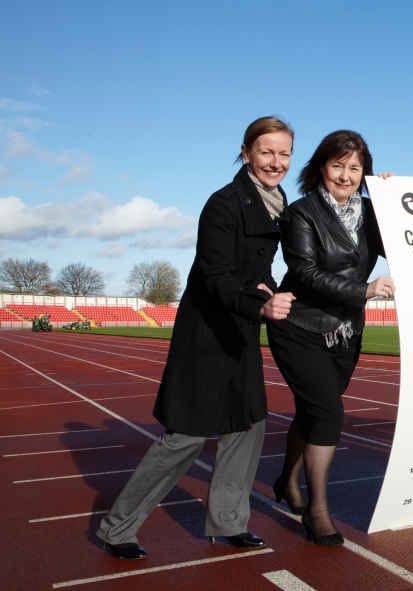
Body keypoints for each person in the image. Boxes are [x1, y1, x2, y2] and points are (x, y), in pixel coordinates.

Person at [97, 117, 297, 558]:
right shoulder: (223, 204)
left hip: (240, 331)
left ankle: (228, 523)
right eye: (266, 152)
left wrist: (378, 192)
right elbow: (214, 277)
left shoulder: (280, 202)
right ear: (246, 152)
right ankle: (118, 528)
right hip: (208, 331)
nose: (275, 162)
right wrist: (258, 303)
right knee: (186, 435)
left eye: (284, 153)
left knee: (248, 425)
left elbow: (266, 258)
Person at [268, 130, 394, 546]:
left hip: (345, 333)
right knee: (327, 413)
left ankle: (287, 480)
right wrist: (366, 290)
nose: (345, 175)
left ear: (365, 173)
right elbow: (304, 273)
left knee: (312, 412)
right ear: (322, 166)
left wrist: (398, 201)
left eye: (354, 168)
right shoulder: (301, 212)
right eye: (337, 165)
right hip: (300, 326)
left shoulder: (375, 215)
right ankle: (318, 511)